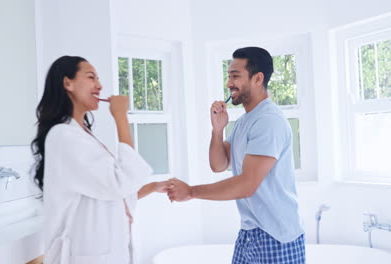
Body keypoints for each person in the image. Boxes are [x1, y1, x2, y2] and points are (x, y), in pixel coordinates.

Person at [167, 47, 305, 263]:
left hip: (276, 237)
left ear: (258, 78)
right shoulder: (244, 122)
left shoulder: (268, 121)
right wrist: (218, 129)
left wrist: (191, 192)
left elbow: (247, 184)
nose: (229, 83)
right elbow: (219, 164)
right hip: (250, 232)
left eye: (235, 76)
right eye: (228, 76)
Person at [31, 56, 168, 264]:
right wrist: (121, 117)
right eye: (91, 77)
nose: (100, 85)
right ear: (68, 83)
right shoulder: (63, 136)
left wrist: (154, 187)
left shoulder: (82, 136)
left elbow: (112, 196)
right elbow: (118, 184)